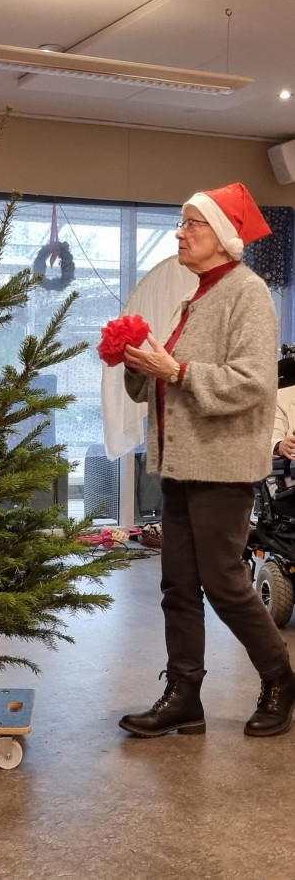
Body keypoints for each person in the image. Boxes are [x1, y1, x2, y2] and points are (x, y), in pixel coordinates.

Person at [118, 181, 295, 738]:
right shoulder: (191, 297)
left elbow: (253, 382)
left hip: (221, 465)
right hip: (179, 464)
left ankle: (281, 678)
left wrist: (177, 372)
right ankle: (183, 694)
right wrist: (138, 364)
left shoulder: (249, 293)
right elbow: (162, 380)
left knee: (224, 583)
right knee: (177, 585)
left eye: (192, 224)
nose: (180, 233)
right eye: (182, 223)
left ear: (221, 237)